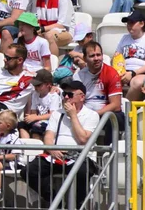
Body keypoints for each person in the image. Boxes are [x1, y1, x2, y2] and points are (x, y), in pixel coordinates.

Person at [23, 80, 101, 208]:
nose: (65, 97)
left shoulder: (91, 115)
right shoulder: (57, 113)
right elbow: (48, 136)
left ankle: (76, 204)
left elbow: (83, 140)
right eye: (64, 94)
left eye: (70, 95)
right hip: (56, 155)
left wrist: (73, 116)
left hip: (79, 156)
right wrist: (51, 149)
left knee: (83, 172)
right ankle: (56, 201)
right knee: (29, 171)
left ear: (82, 97)